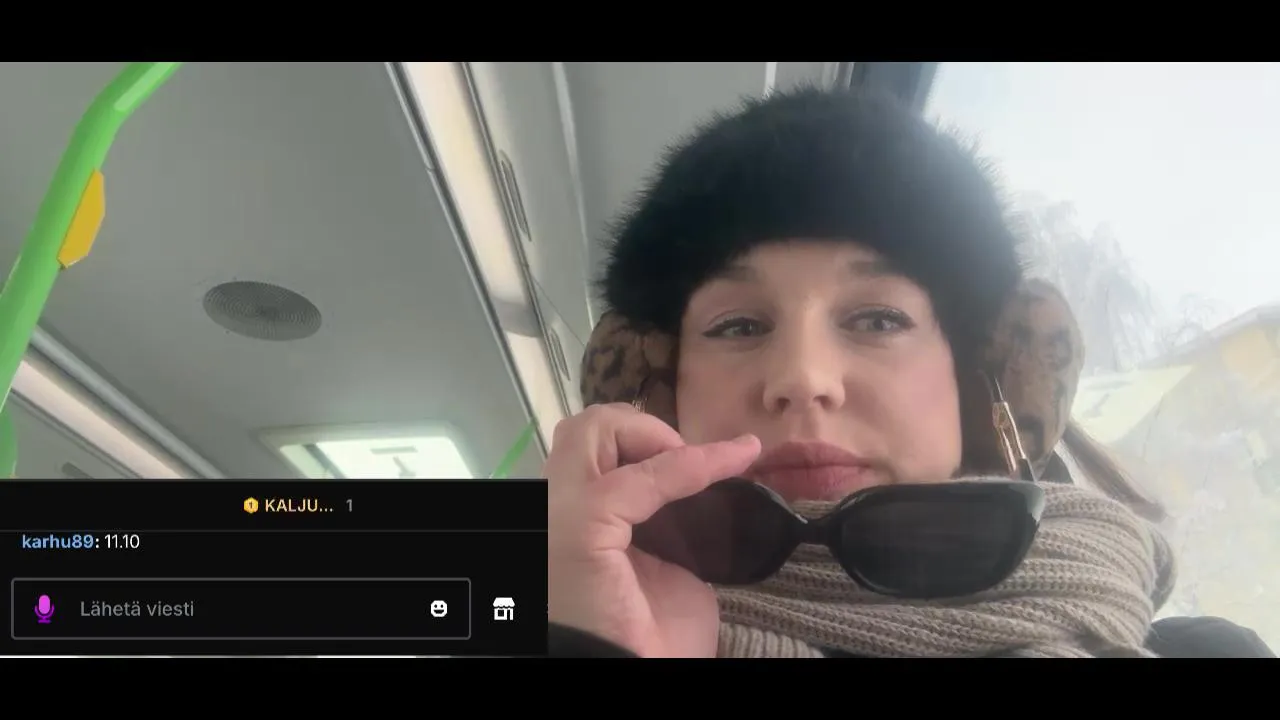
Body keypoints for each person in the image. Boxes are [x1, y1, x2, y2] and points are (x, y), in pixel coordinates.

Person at [547, 87, 1274, 658]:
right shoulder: (536, 614)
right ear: (658, 395)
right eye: (738, 326)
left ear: (981, 379)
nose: (803, 378)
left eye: (877, 319)